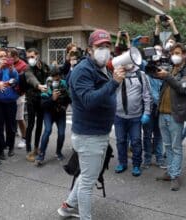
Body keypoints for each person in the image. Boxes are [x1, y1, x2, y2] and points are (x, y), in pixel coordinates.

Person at [57, 29, 126, 220]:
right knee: (88, 181)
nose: (104, 50)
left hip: (98, 133)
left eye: (107, 46)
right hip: (89, 136)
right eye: (99, 47)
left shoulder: (103, 67)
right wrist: (114, 83)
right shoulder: (82, 71)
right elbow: (88, 100)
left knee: (88, 174)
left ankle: (67, 207)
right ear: (89, 49)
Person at [154, 42, 186, 191]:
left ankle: (175, 176)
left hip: (175, 115)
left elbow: (182, 87)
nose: (174, 56)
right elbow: (158, 76)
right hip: (162, 113)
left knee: (176, 147)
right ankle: (170, 171)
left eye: (177, 53)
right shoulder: (170, 68)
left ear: (184, 55)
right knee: (168, 146)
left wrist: (167, 76)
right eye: (172, 53)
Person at [113, 58, 152, 176]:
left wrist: (147, 113)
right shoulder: (116, 74)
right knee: (120, 141)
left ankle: (136, 165)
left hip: (135, 117)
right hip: (119, 116)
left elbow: (147, 95)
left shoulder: (141, 75)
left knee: (136, 141)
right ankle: (122, 163)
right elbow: (110, 91)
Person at [34, 67, 71, 166]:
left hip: (60, 112)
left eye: (58, 78)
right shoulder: (46, 86)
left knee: (62, 133)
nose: (56, 80)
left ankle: (58, 152)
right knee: (48, 130)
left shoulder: (64, 84)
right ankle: (41, 155)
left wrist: (64, 106)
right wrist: (52, 98)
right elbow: (43, 105)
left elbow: (69, 98)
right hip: (49, 113)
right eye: (54, 77)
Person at [0, 48, 19, 159]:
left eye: (5, 56)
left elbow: (16, 81)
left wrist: (12, 70)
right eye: (1, 56)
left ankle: (10, 146)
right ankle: (1, 149)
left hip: (11, 101)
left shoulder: (12, 69)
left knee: (11, 126)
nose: (4, 58)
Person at [23, 48, 50, 162]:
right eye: (28, 57)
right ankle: (28, 150)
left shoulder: (44, 66)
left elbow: (50, 76)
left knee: (39, 124)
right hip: (31, 98)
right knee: (31, 124)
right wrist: (39, 85)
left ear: (37, 55)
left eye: (32, 57)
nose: (30, 59)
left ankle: (36, 148)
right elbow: (30, 78)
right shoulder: (28, 67)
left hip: (42, 99)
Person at [10, 48, 28, 150]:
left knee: (20, 118)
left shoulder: (23, 65)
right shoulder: (7, 64)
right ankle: (11, 138)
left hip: (19, 94)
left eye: (10, 57)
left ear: (15, 56)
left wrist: (14, 71)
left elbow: (22, 80)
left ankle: (24, 138)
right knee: (11, 119)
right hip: (9, 95)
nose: (9, 59)